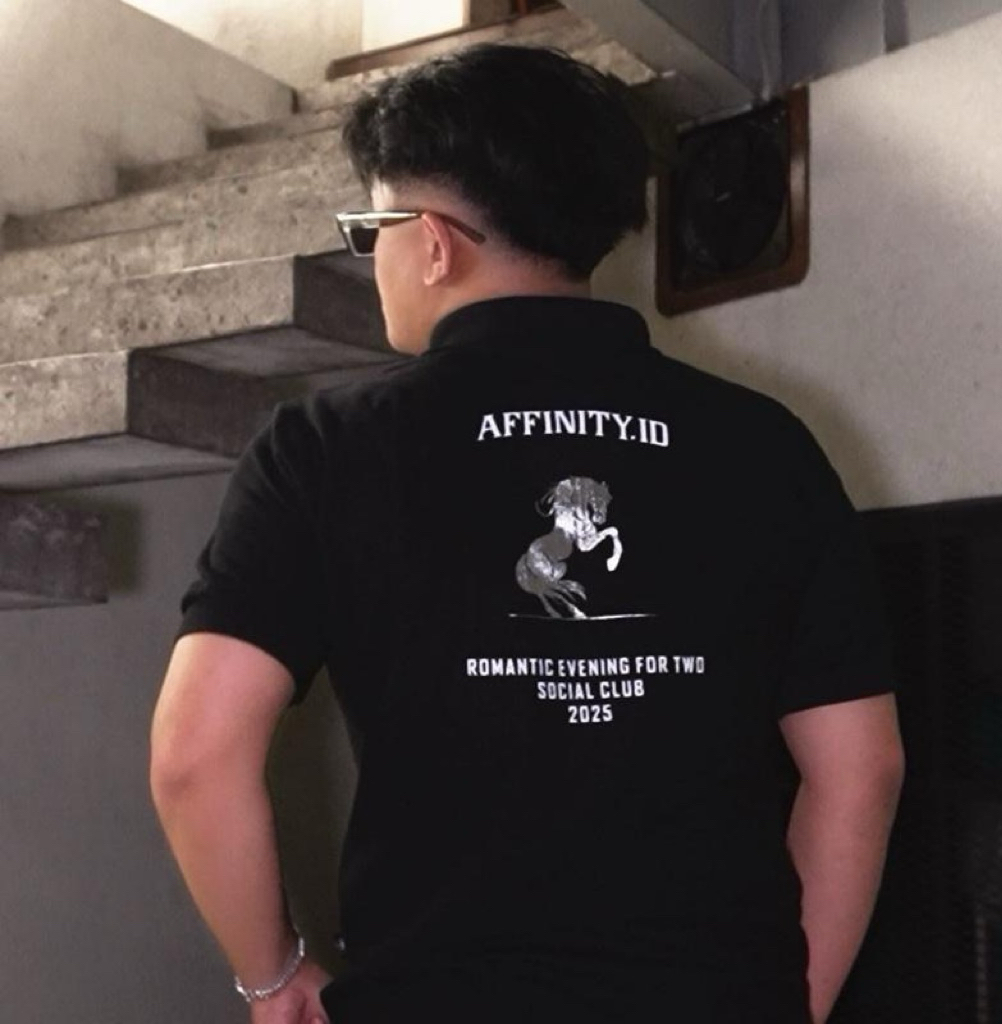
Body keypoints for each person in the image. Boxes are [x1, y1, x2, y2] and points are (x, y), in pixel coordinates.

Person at [149, 41, 905, 1024]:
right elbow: (862, 770)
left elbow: (195, 757)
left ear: (432, 242)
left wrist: (273, 974)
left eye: (371, 230)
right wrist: (787, 1003)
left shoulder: (325, 449)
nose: (373, 260)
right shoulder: (767, 447)